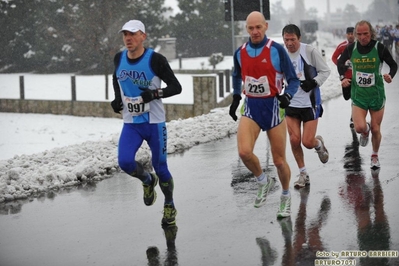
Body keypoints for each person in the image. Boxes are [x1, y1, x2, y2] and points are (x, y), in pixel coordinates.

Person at [229, 11, 300, 218]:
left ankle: (285, 196)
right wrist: (235, 98)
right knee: (244, 152)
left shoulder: (276, 50)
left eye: (258, 27)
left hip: (274, 109)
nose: (254, 31)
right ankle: (263, 181)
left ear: (266, 26)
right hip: (251, 107)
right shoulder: (240, 52)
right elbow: (235, 75)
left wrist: (288, 95)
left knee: (279, 161)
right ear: (246, 29)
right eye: (250, 28)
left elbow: (293, 80)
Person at [111, 20, 182, 225]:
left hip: (155, 123)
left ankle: (169, 203)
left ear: (144, 36)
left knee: (161, 167)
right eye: (125, 34)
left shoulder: (155, 60)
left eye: (133, 34)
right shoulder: (119, 58)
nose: (128, 38)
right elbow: (116, 77)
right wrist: (117, 98)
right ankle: (147, 180)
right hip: (131, 123)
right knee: (125, 162)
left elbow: (176, 87)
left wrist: (155, 93)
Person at [337, 20, 397, 169]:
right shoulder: (351, 48)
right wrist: (343, 78)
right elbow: (340, 63)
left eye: (366, 34)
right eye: (359, 34)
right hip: (359, 95)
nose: (363, 37)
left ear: (371, 33)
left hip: (376, 94)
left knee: (376, 128)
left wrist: (390, 75)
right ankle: (365, 132)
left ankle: (374, 156)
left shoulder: (379, 47)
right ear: (356, 35)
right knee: (358, 127)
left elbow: (394, 65)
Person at [282, 24, 331, 189]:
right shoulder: (281, 55)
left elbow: (325, 71)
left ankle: (318, 145)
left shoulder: (309, 51)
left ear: (299, 38)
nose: (289, 43)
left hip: (310, 103)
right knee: (294, 139)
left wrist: (313, 83)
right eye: (286, 40)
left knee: (307, 142)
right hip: (291, 103)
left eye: (292, 39)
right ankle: (303, 173)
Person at [332, 26, 355, 105]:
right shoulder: (342, 46)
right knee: (347, 97)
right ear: (346, 35)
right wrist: (341, 66)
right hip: (347, 76)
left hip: (358, 76)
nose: (350, 35)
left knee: (356, 97)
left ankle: (355, 115)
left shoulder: (360, 45)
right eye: (348, 34)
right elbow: (334, 57)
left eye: (352, 34)